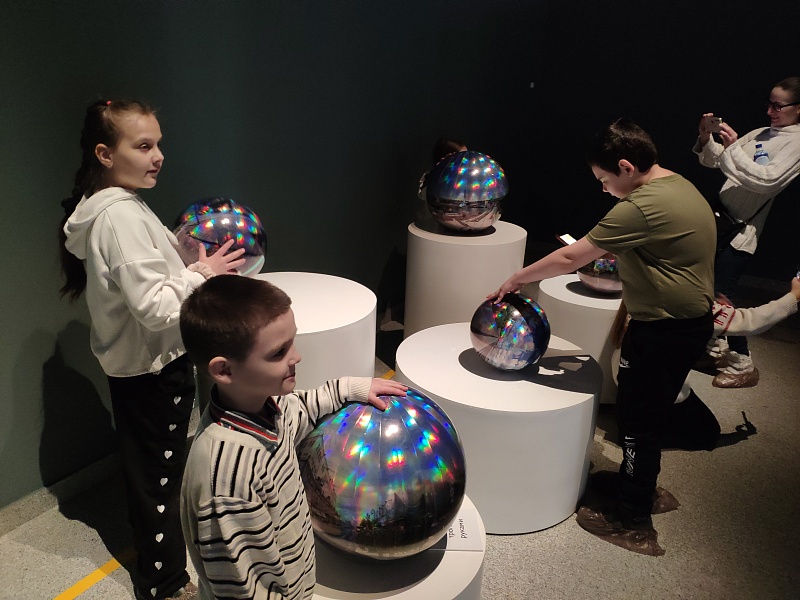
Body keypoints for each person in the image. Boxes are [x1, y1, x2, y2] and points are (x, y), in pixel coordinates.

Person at [490, 118, 716, 556]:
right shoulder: (678, 185)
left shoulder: (641, 207)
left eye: (604, 179)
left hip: (664, 329)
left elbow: (571, 257)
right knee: (644, 415)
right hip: (683, 323)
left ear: (626, 167)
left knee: (637, 422)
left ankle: (634, 520)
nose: (604, 188)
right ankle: (639, 486)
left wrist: (516, 279)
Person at [59, 99, 245, 600]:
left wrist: (181, 258)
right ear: (104, 153)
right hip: (151, 369)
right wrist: (202, 273)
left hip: (142, 366)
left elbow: (146, 282)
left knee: (154, 472)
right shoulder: (119, 215)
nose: (158, 155)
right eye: (143, 146)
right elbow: (155, 307)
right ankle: (164, 584)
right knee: (159, 481)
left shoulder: (117, 205)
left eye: (158, 144)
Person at [178, 275, 408, 600]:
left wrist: (351, 388)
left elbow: (302, 407)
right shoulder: (227, 484)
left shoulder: (268, 407)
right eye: (278, 352)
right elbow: (244, 589)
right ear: (224, 370)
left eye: (293, 342)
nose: (296, 356)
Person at [609, 276, 800, 451]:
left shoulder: (642, 283)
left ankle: (636, 431)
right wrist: (794, 296)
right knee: (708, 434)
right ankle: (640, 438)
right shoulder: (690, 303)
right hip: (660, 388)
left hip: (627, 375)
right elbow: (752, 321)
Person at [694, 76, 800, 388]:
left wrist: (732, 149)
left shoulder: (796, 142)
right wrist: (706, 138)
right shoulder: (763, 133)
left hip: (740, 232)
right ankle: (713, 349)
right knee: (706, 290)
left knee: (722, 297)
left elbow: (766, 181)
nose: (770, 111)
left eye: (778, 106)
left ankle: (743, 362)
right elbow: (717, 161)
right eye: (770, 104)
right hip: (719, 221)